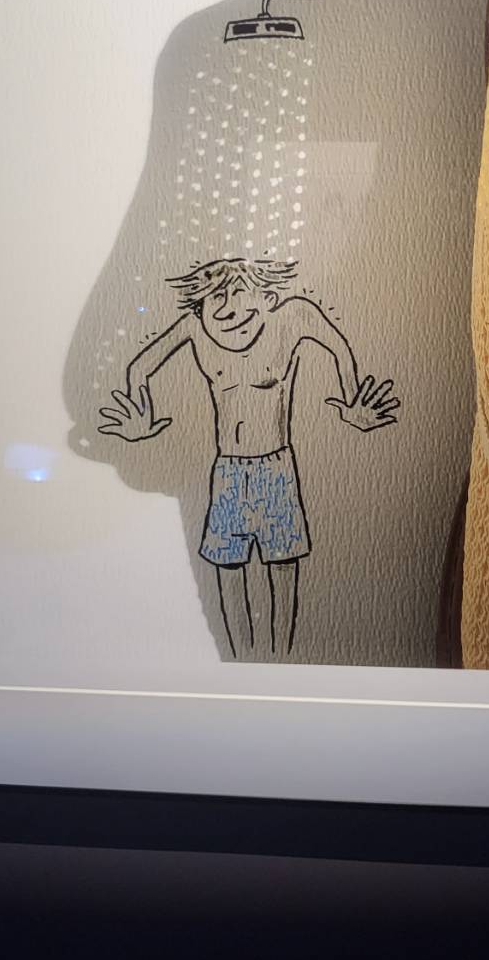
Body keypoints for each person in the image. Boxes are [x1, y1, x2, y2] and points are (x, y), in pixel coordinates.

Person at [98, 258, 398, 659]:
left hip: (276, 469)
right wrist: (142, 417)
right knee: (227, 569)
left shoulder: (293, 317)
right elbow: (140, 368)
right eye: (217, 298)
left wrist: (351, 398)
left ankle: (283, 658)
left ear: (268, 299)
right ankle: (237, 658)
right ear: (201, 307)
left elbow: (338, 347)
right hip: (228, 472)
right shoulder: (194, 329)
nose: (229, 308)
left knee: (284, 566)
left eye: (240, 293)